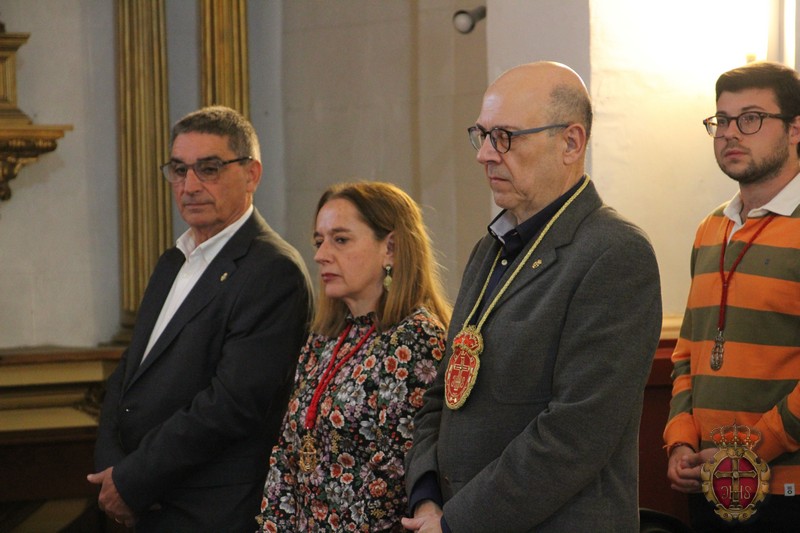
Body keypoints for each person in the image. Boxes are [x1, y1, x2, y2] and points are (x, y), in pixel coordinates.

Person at [402, 61, 663, 533]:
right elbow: (444, 392)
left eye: (505, 137)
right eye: (482, 135)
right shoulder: (490, 249)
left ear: (571, 143)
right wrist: (426, 499)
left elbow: (575, 434)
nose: (485, 154)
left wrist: (457, 521)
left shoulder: (614, 252)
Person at [88, 105, 313, 532]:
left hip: (209, 510)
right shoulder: (172, 261)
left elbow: (232, 404)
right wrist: (112, 470)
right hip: (144, 500)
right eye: (179, 170)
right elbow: (129, 374)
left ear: (252, 174)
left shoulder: (272, 270)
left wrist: (133, 480)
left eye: (208, 169)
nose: (189, 186)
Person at [256, 181, 451, 532]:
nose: (321, 255)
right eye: (319, 241)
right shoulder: (323, 339)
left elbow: (393, 475)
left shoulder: (416, 338)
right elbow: (286, 455)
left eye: (340, 240)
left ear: (390, 248)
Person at [664, 61, 800, 532]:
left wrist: (751, 448)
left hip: (787, 492)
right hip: (709, 484)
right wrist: (681, 439)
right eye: (722, 120)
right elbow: (687, 352)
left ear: (796, 129)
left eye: (751, 118)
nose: (730, 133)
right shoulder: (711, 228)